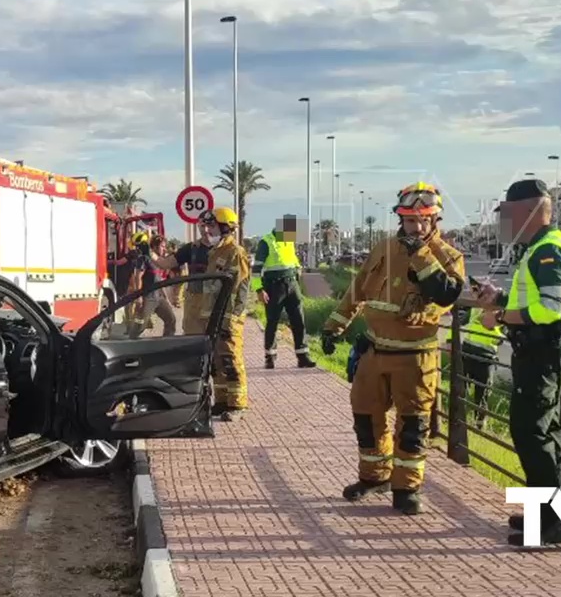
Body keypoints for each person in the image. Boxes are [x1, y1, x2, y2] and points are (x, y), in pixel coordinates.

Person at [321, 182, 465, 515]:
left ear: (435, 221)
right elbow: (357, 291)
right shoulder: (384, 249)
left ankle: (406, 488)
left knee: (412, 428)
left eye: (422, 221)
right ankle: (374, 477)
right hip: (375, 352)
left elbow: (445, 294)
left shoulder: (448, 257)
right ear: (400, 219)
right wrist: (333, 326)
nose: (415, 227)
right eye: (409, 221)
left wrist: (421, 252)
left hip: (416, 359)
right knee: (366, 418)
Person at [472, 178, 561, 547]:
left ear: (528, 211)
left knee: (531, 433)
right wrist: (498, 297)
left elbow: (551, 307)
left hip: (544, 353)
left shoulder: (549, 249)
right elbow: (532, 298)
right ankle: (547, 514)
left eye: (508, 213)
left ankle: (556, 522)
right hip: (538, 352)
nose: (505, 222)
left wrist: (498, 319)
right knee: (543, 434)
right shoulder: (537, 248)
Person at [198, 207, 253, 419]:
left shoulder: (235, 254)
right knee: (216, 362)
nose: (206, 231)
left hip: (229, 317)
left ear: (224, 227)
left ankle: (237, 405)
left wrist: (228, 320)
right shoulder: (215, 253)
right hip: (213, 316)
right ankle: (221, 401)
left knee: (230, 359)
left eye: (210, 226)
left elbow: (234, 289)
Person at [254, 215, 315, 369]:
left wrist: (298, 269)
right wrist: (259, 290)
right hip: (274, 287)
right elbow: (255, 270)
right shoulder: (266, 242)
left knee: (298, 321)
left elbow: (292, 259)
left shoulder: (288, 242)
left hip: (292, 285)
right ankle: (270, 356)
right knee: (273, 322)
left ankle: (303, 356)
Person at [153, 224, 212, 335]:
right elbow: (165, 263)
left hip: (217, 303)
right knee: (193, 338)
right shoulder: (191, 248)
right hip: (196, 303)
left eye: (210, 225)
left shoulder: (227, 250)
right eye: (202, 225)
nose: (206, 229)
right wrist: (149, 252)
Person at [450, 306, 504, 429]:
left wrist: (492, 327)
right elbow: (457, 323)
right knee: (461, 388)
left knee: (482, 392)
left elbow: (502, 339)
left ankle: (479, 425)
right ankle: (457, 420)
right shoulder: (475, 311)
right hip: (467, 355)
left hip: (485, 360)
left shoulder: (501, 314)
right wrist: (449, 341)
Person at [129, 234, 178, 337]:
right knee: (140, 324)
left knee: (171, 319)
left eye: (165, 247)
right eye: (162, 246)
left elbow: (160, 281)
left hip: (159, 298)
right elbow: (138, 277)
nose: (164, 249)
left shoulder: (160, 262)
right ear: (155, 247)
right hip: (148, 298)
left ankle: (167, 343)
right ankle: (130, 343)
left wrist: (166, 298)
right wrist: (139, 297)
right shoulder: (144, 259)